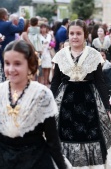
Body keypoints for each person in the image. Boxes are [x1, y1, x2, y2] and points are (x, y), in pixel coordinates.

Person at [51, 19, 111, 168]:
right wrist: (49, 104)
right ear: (68, 35)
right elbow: (55, 82)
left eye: (78, 33)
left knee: (89, 136)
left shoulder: (94, 54)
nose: (75, 37)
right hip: (66, 103)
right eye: (72, 33)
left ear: (85, 35)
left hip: (89, 102)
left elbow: (100, 82)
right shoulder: (60, 55)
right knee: (65, 135)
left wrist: (106, 107)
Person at [0, 40, 69, 169]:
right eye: (7, 63)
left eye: (17, 64)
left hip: (35, 161)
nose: (11, 69)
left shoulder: (42, 94)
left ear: (30, 65)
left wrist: (62, 166)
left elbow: (52, 140)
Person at [0, 8, 24, 82]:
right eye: (7, 14)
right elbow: (20, 28)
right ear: (4, 16)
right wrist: (21, 18)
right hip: (8, 50)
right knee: (8, 68)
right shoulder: (8, 24)